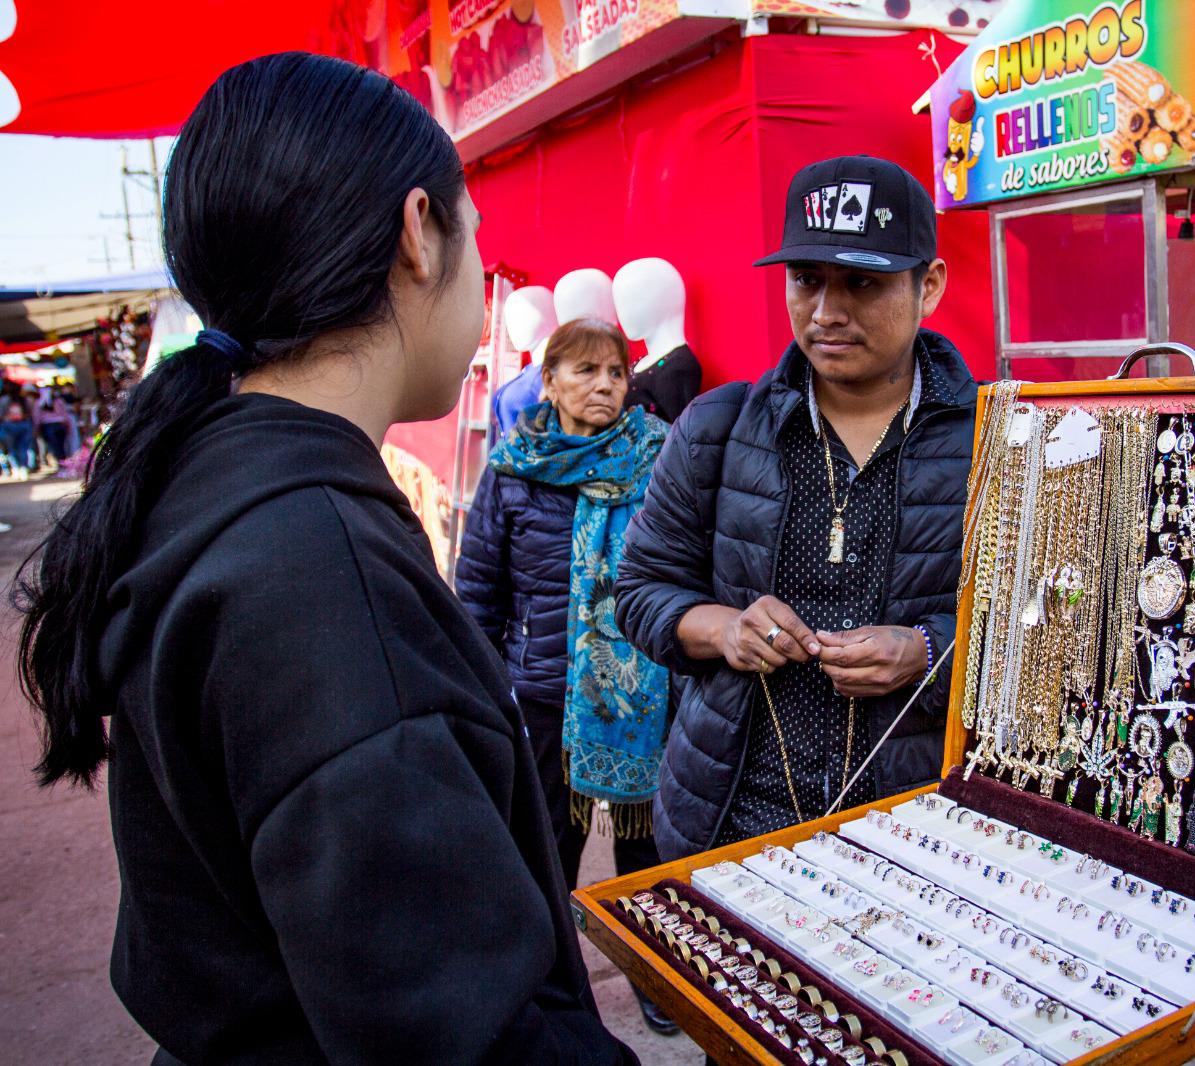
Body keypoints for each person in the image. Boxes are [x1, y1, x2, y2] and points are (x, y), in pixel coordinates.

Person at [13, 53, 635, 1066]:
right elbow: (462, 1033)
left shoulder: (223, 480)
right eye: (477, 236)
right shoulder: (319, 577)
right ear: (418, 234)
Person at [615, 155, 977, 859]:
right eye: (806, 280)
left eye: (863, 284)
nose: (826, 312)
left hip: (920, 834)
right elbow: (638, 590)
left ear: (928, 285)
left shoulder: (995, 441)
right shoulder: (717, 429)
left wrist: (929, 650)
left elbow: (1051, 633)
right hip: (733, 822)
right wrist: (722, 629)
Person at [456, 318, 680, 1036]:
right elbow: (478, 592)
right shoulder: (514, 469)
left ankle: (654, 976)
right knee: (549, 850)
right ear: (547, 382)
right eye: (584, 371)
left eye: (615, 371)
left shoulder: (657, 456)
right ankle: (557, 993)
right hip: (547, 695)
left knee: (648, 847)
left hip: (646, 691)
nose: (605, 386)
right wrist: (491, 693)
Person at [34, 386, 75, 465]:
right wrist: (67, 424)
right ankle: (62, 461)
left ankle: (60, 461)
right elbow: (64, 414)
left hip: (49, 426)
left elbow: (37, 417)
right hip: (60, 425)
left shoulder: (39, 402)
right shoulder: (58, 401)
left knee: (55, 445)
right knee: (61, 445)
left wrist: (36, 428)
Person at [0, 386, 35, 473]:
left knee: (12, 448)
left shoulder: (4, 400)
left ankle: (16, 468)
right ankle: (23, 468)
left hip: (9, 425)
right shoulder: (24, 400)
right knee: (23, 448)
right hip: (24, 424)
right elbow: (30, 413)